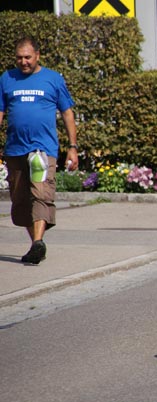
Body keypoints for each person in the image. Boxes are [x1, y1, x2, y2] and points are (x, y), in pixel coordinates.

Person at [0, 36, 78, 265]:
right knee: (20, 200)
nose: (23, 62)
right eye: (19, 58)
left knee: (41, 193)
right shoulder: (6, 79)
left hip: (42, 150)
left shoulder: (52, 79)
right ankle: (36, 243)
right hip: (15, 150)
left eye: (27, 57)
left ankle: (37, 243)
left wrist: (72, 147)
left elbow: (67, 113)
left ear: (37, 55)